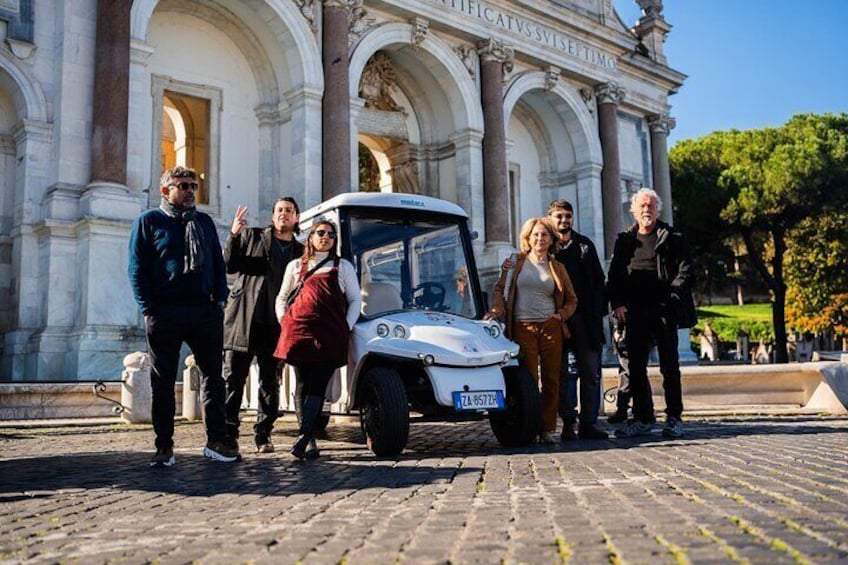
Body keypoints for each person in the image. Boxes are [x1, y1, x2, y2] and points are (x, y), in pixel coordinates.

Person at [128, 166, 239, 467]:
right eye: (183, 185)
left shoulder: (203, 221)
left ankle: (216, 441)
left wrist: (219, 301)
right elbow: (136, 269)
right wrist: (148, 308)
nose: (190, 190)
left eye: (194, 185)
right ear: (166, 190)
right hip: (165, 313)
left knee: (213, 379)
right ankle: (164, 446)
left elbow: (217, 263)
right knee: (162, 383)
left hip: (205, 312)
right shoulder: (148, 221)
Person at [607, 188, 696, 438]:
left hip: (664, 310)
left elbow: (686, 270)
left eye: (651, 206)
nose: (647, 210)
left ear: (658, 210)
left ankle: (674, 418)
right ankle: (643, 418)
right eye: (642, 206)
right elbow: (615, 276)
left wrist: (672, 296)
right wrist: (618, 304)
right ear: (633, 210)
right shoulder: (624, 240)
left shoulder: (673, 237)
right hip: (634, 311)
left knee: (670, 366)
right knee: (635, 367)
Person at [274, 220, 361, 459]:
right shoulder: (295, 266)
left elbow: (354, 300)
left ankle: (303, 435)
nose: (325, 237)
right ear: (311, 237)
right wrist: (285, 322)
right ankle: (308, 438)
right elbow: (281, 298)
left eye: (331, 234)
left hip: (329, 333)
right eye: (320, 233)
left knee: (318, 385)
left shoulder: (342, 266)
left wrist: (346, 325)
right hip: (299, 332)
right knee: (302, 384)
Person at [486, 217, 578, 444]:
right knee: (528, 380)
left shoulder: (557, 267)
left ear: (551, 239)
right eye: (535, 234)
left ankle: (547, 429)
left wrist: (560, 316)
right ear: (527, 238)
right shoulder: (514, 261)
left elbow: (572, 300)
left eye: (544, 234)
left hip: (550, 327)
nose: (539, 238)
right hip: (522, 326)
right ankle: (530, 426)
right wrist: (496, 310)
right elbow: (500, 289)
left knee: (551, 380)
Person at [223, 198, 303, 453]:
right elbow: (229, 265)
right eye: (279, 210)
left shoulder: (301, 252)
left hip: (276, 325)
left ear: (296, 218)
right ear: (272, 216)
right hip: (244, 319)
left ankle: (263, 435)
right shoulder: (253, 237)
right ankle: (228, 433)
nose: (283, 214)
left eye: (289, 211)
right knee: (233, 380)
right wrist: (234, 234)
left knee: (270, 382)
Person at [547, 200, 609, 441]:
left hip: (586, 320)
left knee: (591, 373)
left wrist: (597, 314)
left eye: (568, 216)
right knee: (561, 374)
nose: (564, 220)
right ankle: (567, 423)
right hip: (559, 320)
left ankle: (589, 423)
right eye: (559, 216)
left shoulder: (585, 245)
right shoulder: (547, 248)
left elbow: (598, 282)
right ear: (551, 218)